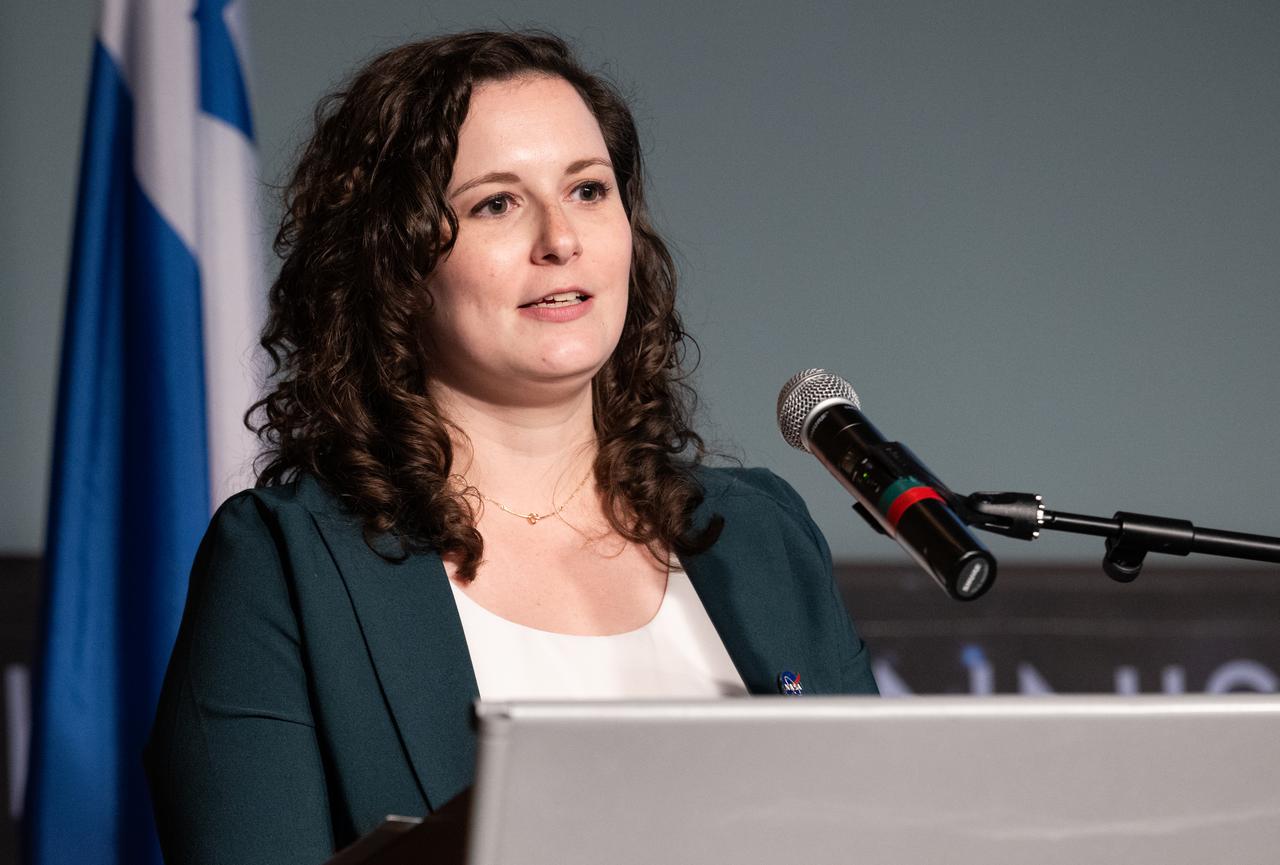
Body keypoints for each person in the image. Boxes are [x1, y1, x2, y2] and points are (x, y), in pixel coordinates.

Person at [145, 30, 878, 865]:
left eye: (588, 190)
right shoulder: (287, 564)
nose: (561, 237)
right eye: (496, 203)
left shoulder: (762, 536)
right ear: (392, 262)